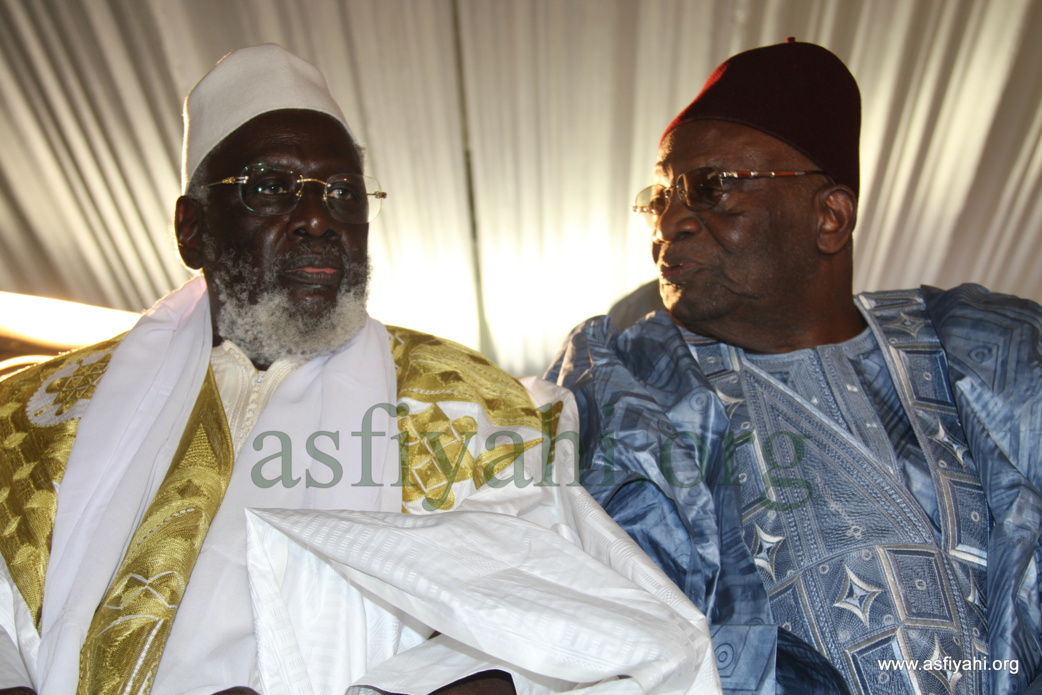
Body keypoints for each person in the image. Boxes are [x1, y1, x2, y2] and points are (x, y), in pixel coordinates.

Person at [0, 45, 720, 695]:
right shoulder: (37, 412)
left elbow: (563, 621)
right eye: (271, 188)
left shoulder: (473, 406)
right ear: (192, 228)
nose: (319, 218)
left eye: (344, 193)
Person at [548, 39, 1042, 695]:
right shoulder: (628, 381)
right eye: (661, 194)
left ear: (830, 216)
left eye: (712, 187)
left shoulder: (981, 350)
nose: (671, 220)